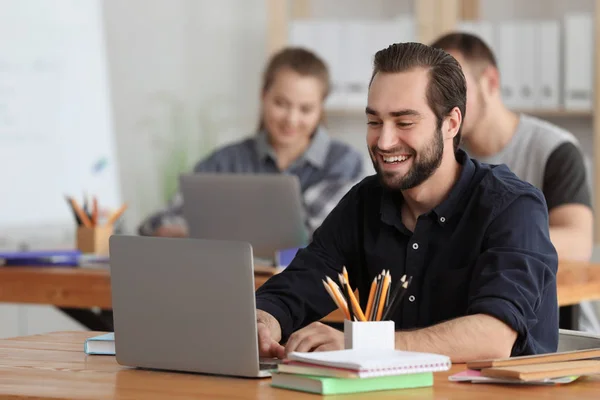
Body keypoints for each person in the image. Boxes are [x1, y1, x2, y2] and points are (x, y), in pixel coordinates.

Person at [255, 42, 559, 363]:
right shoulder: (364, 202)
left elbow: (494, 337)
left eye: (404, 123)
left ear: (451, 124)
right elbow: (300, 284)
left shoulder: (512, 206)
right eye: (374, 122)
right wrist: (264, 321)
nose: (384, 142)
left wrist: (363, 345)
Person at [138, 47, 364, 237]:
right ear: (263, 96)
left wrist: (216, 227)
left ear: (320, 109)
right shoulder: (225, 162)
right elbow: (156, 224)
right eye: (281, 103)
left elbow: (312, 232)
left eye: (305, 109)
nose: (292, 119)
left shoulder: (344, 163)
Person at [430, 32, 593, 262]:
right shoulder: (440, 154)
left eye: (454, 89)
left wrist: (486, 237)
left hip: (553, 294)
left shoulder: (554, 149)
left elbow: (577, 244)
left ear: (491, 82)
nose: (442, 105)